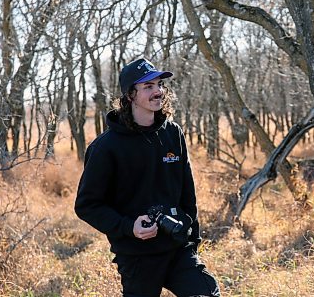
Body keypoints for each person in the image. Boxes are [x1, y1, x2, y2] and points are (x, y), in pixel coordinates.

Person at [75, 58, 220, 297]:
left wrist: (192, 240)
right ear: (130, 95)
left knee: (206, 293)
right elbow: (87, 205)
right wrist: (128, 227)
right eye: (148, 86)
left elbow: (187, 192)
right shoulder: (106, 147)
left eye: (159, 84)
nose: (158, 91)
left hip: (177, 248)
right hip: (137, 255)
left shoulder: (173, 133)